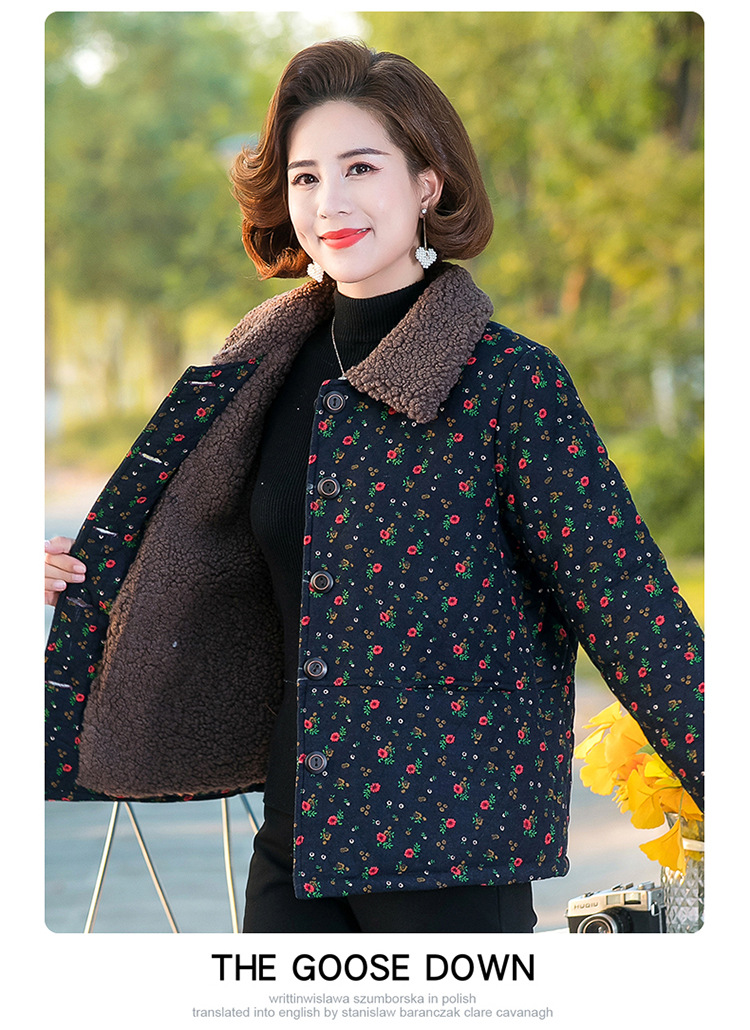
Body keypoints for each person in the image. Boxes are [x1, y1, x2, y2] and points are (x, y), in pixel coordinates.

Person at [45, 39, 703, 934]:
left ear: (427, 184)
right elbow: (195, 558)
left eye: (361, 168)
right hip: (295, 843)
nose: (331, 202)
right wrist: (86, 579)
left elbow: (626, 601)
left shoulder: (506, 383)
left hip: (453, 848)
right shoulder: (260, 374)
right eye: (306, 177)